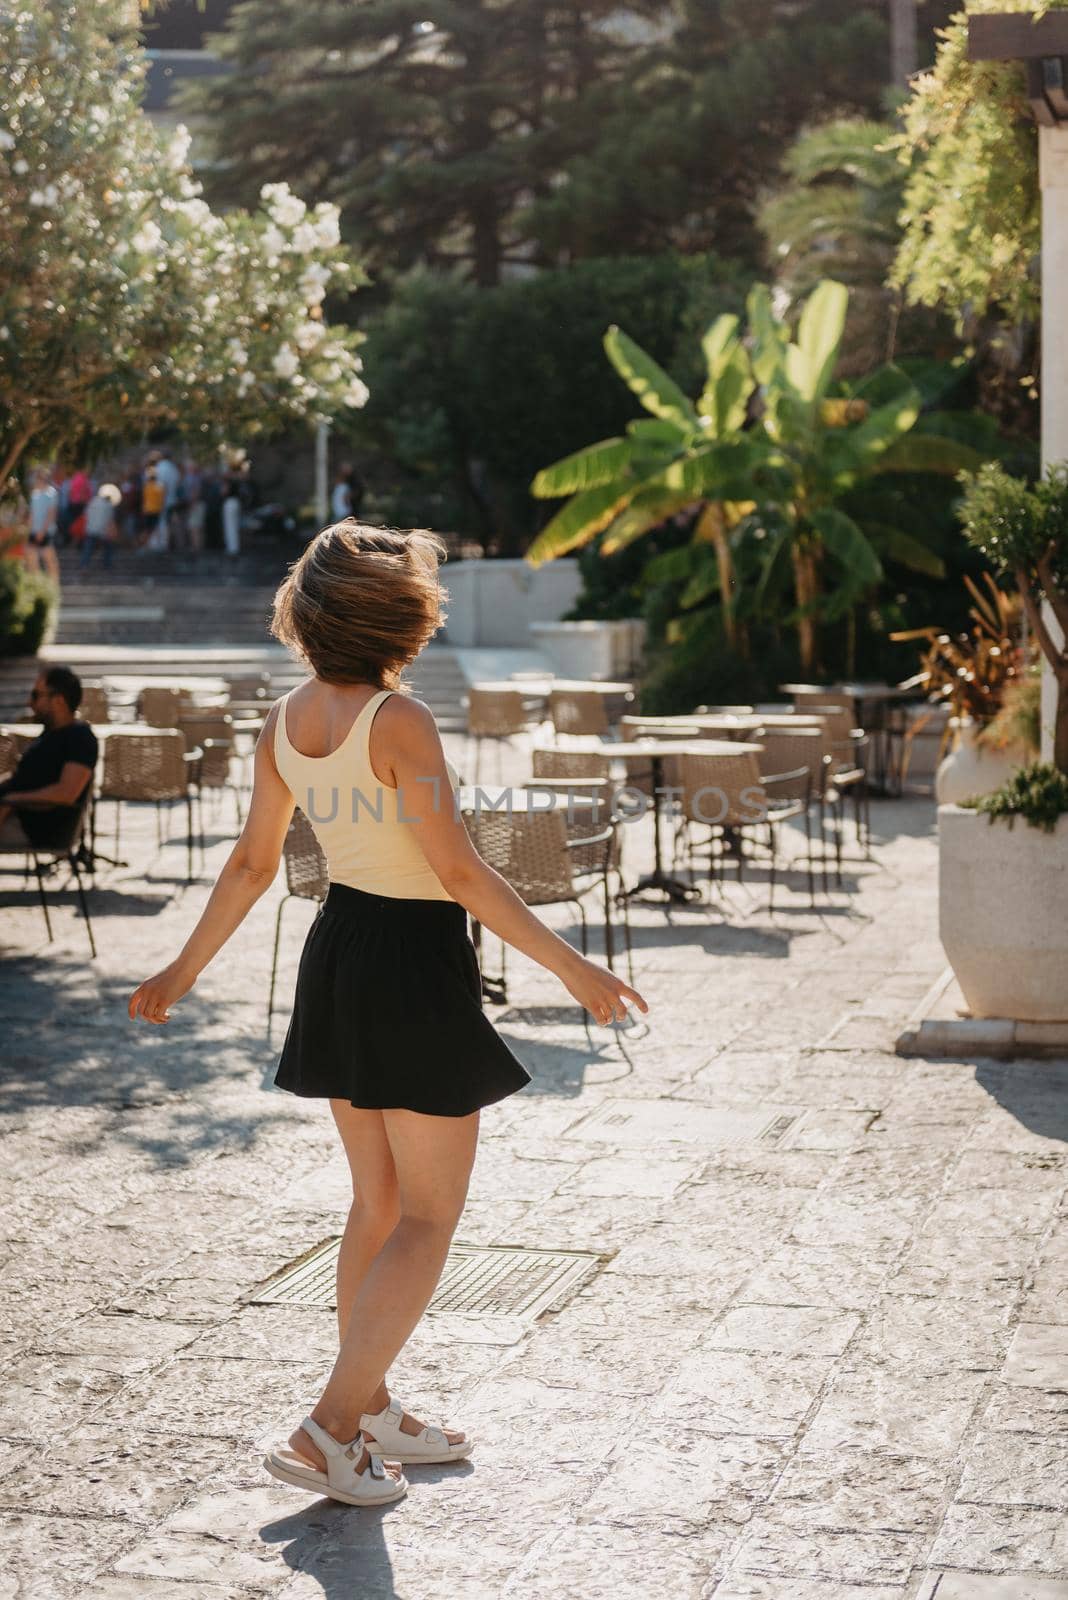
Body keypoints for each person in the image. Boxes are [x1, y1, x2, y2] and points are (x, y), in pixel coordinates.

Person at [128, 522, 647, 1510]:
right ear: (397, 613)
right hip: (411, 959)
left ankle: (371, 1411)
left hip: (341, 948)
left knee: (375, 1204)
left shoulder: (286, 718)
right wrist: (577, 966)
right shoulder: (399, 722)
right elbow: (456, 870)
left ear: (307, 611)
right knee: (426, 1215)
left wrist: (180, 971)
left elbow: (250, 865)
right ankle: (329, 1423)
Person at [0, 667, 98, 850]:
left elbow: (66, 793)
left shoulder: (80, 738)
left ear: (59, 700)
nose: (30, 702)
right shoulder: (50, 733)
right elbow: (21, 777)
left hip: (34, 829)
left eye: (36, 695)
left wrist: (13, 798)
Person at [26, 469, 60, 582]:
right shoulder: (34, 494)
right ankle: (36, 585)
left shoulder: (51, 493)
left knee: (49, 559)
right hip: (33, 530)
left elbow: (51, 514)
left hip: (46, 531)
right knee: (31, 558)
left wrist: (43, 531)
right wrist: (29, 529)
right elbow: (31, 513)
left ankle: (54, 586)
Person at [80, 483, 121, 572]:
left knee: (88, 548)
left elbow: (86, 514)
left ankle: (84, 564)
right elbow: (110, 520)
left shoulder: (92, 501)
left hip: (91, 528)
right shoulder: (109, 505)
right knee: (108, 547)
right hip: (103, 531)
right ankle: (107, 565)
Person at [221, 475, 242, 556]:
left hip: (230, 503)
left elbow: (223, 492)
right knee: (234, 526)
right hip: (236, 502)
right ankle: (234, 547)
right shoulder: (236, 482)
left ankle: (232, 549)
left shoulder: (228, 483)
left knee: (230, 527)